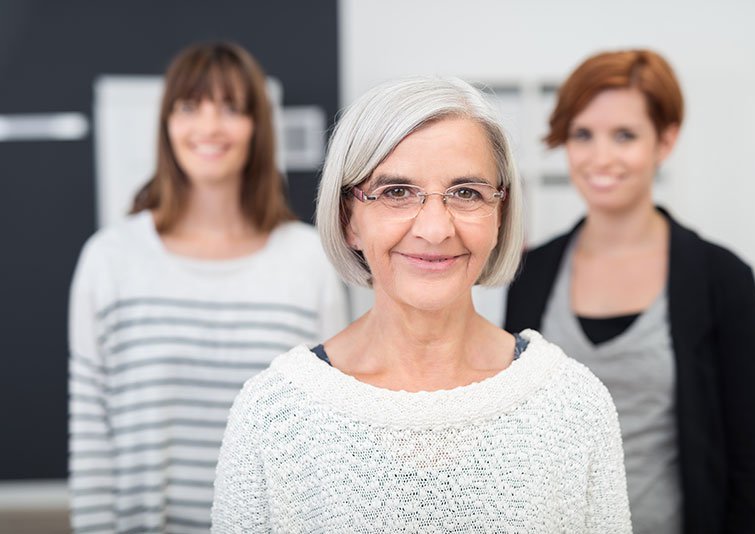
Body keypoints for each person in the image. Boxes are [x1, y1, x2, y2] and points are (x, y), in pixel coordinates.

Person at [211, 76, 632, 532]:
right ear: (348, 218)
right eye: (396, 192)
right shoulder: (274, 414)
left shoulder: (573, 405)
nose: (435, 229)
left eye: (466, 193)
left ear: (500, 217)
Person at [68, 42, 348, 533]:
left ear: (258, 127)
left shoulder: (309, 260)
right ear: (166, 125)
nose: (209, 127)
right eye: (190, 106)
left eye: (232, 108)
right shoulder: (109, 258)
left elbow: (330, 424)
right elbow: (92, 434)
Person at [505, 49, 755, 534]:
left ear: (665, 140)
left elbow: (753, 457)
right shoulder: (532, 271)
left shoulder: (722, 277)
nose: (600, 158)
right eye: (582, 134)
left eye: (625, 136)